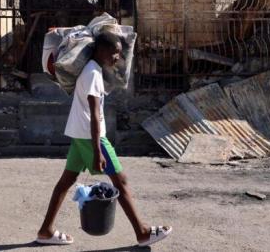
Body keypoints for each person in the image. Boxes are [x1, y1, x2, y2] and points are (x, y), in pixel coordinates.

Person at [36, 31, 172, 247]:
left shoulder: (92, 70)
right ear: (101, 51)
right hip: (92, 138)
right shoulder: (92, 73)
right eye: (114, 53)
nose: (117, 58)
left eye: (119, 54)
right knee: (121, 181)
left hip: (80, 135)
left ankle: (45, 230)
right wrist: (98, 150)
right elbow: (94, 114)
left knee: (65, 183)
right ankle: (142, 232)